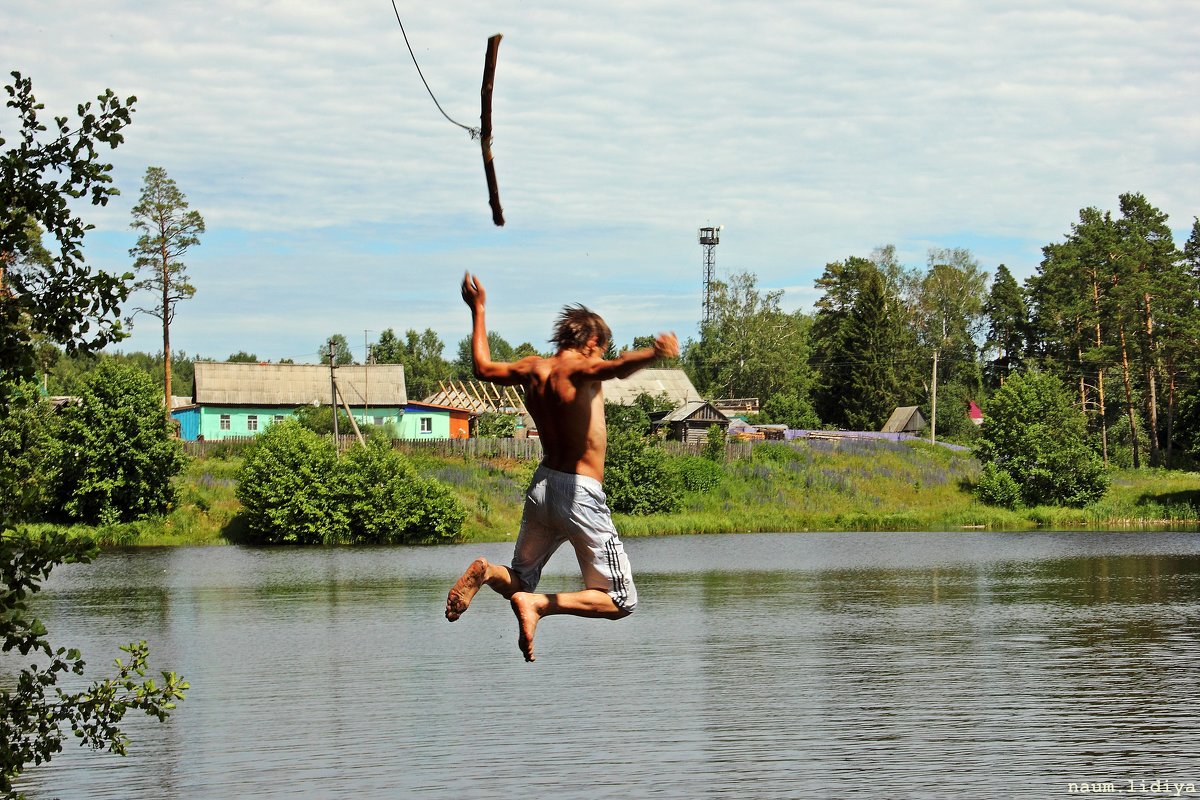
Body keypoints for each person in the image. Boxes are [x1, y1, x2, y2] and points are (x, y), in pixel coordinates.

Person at [445, 272, 679, 661]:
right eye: (601, 349)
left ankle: (487, 573)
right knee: (620, 600)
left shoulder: (532, 369)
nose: (601, 356)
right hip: (580, 493)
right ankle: (540, 606)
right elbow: (618, 367)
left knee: (519, 579)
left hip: (542, 488)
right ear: (590, 343)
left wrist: (479, 309)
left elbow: (483, 368)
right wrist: (652, 354)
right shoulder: (583, 370)